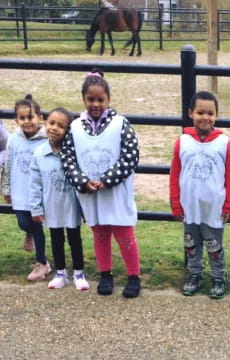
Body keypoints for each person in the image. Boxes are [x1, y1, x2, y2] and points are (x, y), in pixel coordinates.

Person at [61, 68, 141, 298]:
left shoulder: (121, 124)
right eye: (90, 99)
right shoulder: (75, 128)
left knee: (125, 234)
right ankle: (105, 274)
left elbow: (131, 156)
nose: (95, 104)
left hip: (114, 192)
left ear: (108, 99)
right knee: (100, 234)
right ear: (83, 99)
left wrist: (107, 180)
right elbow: (68, 158)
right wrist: (82, 182)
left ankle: (133, 275)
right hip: (90, 193)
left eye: (100, 99)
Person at [169, 91, 230, 299]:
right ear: (191, 113)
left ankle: (218, 276)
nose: (205, 117)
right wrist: (175, 203)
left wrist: (228, 206)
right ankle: (194, 274)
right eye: (200, 112)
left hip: (213, 205)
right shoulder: (182, 141)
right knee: (191, 242)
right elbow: (175, 173)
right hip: (189, 205)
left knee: (214, 244)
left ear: (216, 115)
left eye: (210, 113)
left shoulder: (224, 142)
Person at [30, 108, 89, 291]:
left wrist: (86, 208)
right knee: (56, 240)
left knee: (74, 239)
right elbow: (35, 183)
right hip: (52, 206)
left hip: (71, 205)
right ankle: (61, 273)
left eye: (61, 126)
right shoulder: (40, 153)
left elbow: (83, 179)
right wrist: (36, 208)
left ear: (68, 130)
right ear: (45, 123)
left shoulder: (75, 152)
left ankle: (79, 272)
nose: (54, 128)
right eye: (51, 123)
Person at [1, 95, 50, 280]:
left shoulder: (46, 139)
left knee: (37, 225)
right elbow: (8, 164)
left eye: (30, 117)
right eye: (22, 118)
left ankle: (42, 263)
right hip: (19, 190)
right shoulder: (13, 139)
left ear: (40, 117)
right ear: (16, 120)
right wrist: (7, 189)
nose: (27, 122)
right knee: (23, 222)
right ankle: (29, 233)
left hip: (38, 192)